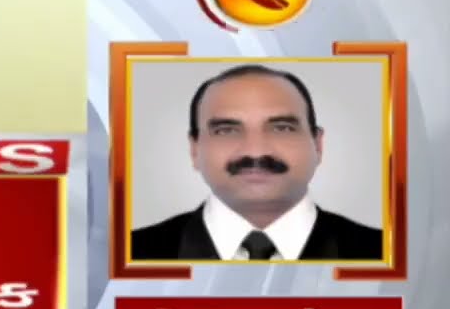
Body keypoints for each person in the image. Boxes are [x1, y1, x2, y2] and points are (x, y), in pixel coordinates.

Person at [131, 64, 383, 261]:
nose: (256, 150)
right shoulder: (131, 253)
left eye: (282, 128)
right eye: (226, 131)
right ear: (195, 149)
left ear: (317, 145)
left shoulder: (386, 253)